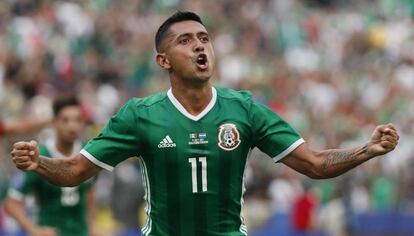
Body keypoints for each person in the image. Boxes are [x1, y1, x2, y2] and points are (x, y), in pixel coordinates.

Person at [10, 11, 399, 236]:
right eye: (185, 41)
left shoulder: (245, 109)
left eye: (204, 38)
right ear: (163, 61)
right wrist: (39, 163)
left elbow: (313, 164)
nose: (199, 45)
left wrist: (368, 150)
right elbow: (77, 170)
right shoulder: (139, 115)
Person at [5, 96, 97, 236]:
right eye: (65, 120)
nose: (72, 126)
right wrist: (33, 230)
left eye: (77, 120)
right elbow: (12, 203)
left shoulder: (88, 154)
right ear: (54, 123)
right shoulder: (38, 157)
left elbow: (89, 192)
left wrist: (92, 227)